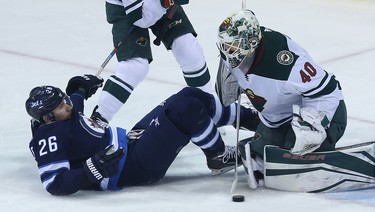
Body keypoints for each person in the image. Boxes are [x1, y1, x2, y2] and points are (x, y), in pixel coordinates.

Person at [25, 74, 259, 196]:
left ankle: (254, 120)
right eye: (60, 105)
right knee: (187, 110)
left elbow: (74, 104)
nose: (67, 105)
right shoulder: (49, 136)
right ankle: (218, 156)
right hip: (132, 168)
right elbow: (54, 184)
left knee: (191, 95)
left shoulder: (63, 114)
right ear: (47, 119)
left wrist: (79, 88)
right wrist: (90, 171)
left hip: (131, 142)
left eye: (64, 99)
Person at [215, 10, 347, 187]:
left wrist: (312, 124)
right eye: (226, 45)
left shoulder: (285, 63)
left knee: (298, 148)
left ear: (251, 42)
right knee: (261, 153)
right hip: (275, 118)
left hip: (325, 110)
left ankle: (322, 140)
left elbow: (327, 91)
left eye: (233, 46)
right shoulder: (235, 55)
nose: (228, 51)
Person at [92, 0, 214, 124]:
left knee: (188, 50)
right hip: (127, 9)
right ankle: (99, 119)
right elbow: (141, 19)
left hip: (160, 4)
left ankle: (206, 110)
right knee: (135, 67)